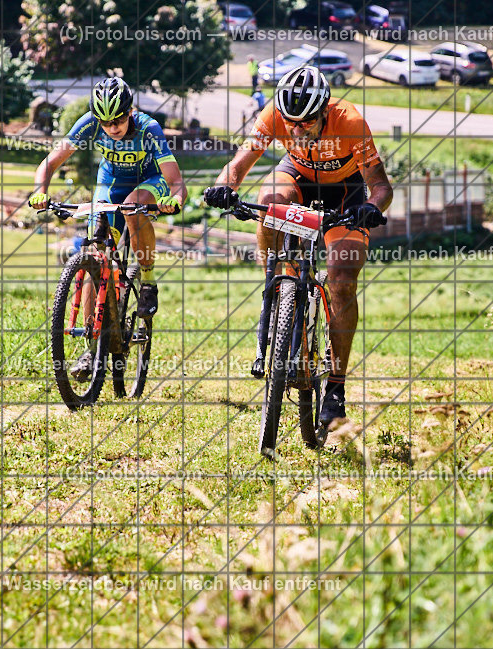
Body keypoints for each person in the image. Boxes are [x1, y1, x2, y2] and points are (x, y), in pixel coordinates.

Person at [203, 65, 393, 427]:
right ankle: (276, 286)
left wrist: (371, 208)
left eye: (305, 122)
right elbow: (240, 163)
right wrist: (223, 187)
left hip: (346, 193)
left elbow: (381, 186)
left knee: (341, 279)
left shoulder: (350, 122)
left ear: (324, 111)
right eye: (290, 122)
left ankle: (336, 387)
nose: (296, 129)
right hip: (298, 178)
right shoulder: (275, 113)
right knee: (269, 196)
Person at [29, 77, 187, 380]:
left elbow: (177, 180)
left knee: (131, 207)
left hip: (150, 182)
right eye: (105, 122)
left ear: (130, 111)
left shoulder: (148, 128)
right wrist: (40, 191)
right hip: (110, 183)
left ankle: (149, 282)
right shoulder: (89, 123)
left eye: (118, 119)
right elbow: (49, 162)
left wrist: (174, 201)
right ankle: (93, 346)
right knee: (94, 253)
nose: (112, 127)